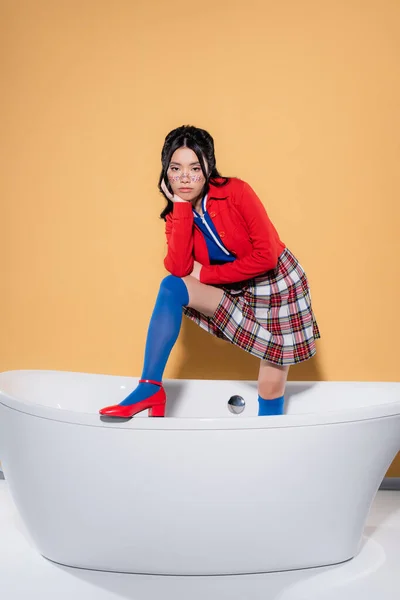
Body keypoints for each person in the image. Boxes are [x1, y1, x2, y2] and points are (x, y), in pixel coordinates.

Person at [99, 125, 320, 418]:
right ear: (166, 172)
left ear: (208, 167)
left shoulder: (237, 192)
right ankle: (150, 386)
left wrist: (206, 276)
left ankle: (269, 447)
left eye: (194, 167)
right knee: (172, 286)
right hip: (233, 287)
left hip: (276, 287)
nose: (185, 177)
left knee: (270, 388)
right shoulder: (176, 215)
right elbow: (179, 269)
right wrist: (180, 206)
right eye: (175, 168)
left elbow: (266, 257)